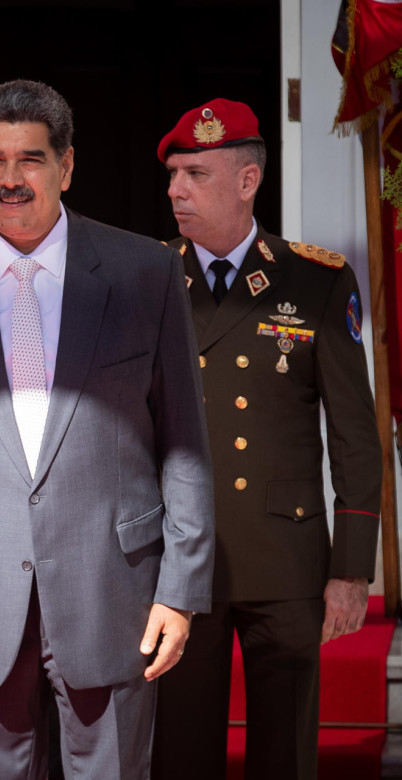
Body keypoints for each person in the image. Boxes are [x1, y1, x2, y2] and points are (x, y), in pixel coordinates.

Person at [0, 79, 216, 779]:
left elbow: (184, 447)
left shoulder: (143, 271)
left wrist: (181, 588)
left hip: (112, 591)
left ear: (68, 165)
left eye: (29, 160)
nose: (10, 179)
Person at [151, 99, 382, 780]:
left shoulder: (314, 279)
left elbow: (355, 439)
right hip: (178, 554)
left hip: (285, 555)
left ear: (247, 180)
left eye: (194, 173)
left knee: (285, 754)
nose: (175, 190)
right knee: (181, 752)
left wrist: (350, 568)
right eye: (171, 175)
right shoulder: (148, 278)